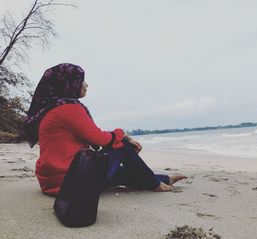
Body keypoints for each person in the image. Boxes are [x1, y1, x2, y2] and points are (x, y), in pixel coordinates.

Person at [24, 63, 186, 196]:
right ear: (68, 83)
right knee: (121, 145)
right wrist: (123, 135)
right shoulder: (68, 108)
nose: (86, 84)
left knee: (122, 173)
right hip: (70, 181)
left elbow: (93, 134)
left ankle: (163, 179)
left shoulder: (52, 108)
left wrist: (119, 136)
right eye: (81, 80)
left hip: (52, 181)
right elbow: (101, 139)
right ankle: (154, 184)